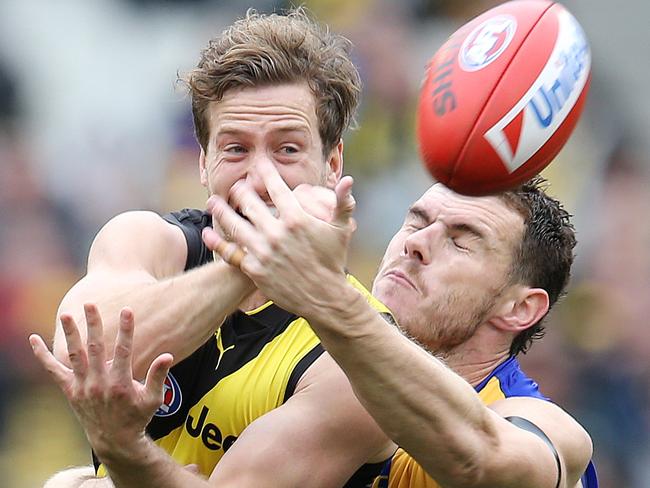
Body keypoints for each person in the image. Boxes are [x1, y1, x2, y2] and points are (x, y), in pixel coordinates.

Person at [34, 7, 396, 488]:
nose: (259, 177)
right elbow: (83, 354)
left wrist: (122, 457)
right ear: (203, 163)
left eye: (287, 149)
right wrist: (252, 264)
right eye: (236, 149)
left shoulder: (360, 355)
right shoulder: (145, 240)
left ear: (332, 164)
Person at [200, 162, 599, 488]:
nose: (416, 243)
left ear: (521, 308)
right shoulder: (310, 371)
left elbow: (482, 460)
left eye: (461, 241)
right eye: (415, 222)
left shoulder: (545, 428)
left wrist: (330, 299)